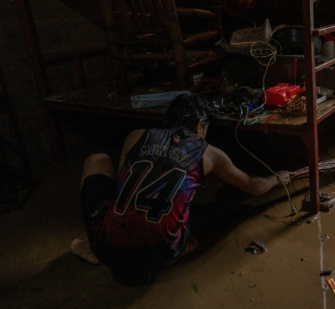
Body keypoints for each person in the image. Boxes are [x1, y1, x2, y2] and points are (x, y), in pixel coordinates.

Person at [70, 94, 291, 285]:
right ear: (198, 126)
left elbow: (122, 189)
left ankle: (93, 247)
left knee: (96, 160)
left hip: (107, 249)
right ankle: (182, 249)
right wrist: (276, 179)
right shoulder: (210, 153)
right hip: (163, 253)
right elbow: (254, 187)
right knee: (185, 218)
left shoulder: (136, 135)